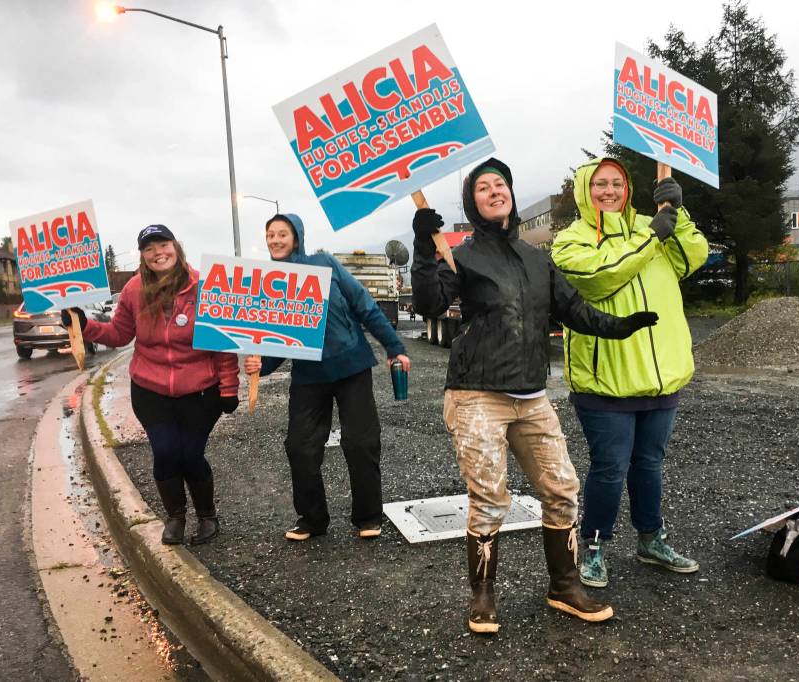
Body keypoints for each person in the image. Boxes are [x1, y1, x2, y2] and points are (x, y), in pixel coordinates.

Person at [411, 158, 659, 634]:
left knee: (562, 488)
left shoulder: (536, 258)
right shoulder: (459, 255)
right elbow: (429, 303)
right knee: (488, 498)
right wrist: (424, 245)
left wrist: (621, 327)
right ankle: (482, 597)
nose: (493, 191)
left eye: (500, 183)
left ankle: (564, 586)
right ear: (472, 202)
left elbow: (575, 311)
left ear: (510, 194)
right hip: (476, 394)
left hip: (532, 395)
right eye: (482, 187)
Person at [549, 158, 709, 587]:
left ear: (628, 188)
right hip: (607, 381)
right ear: (586, 190)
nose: (609, 191)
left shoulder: (650, 222)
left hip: (662, 377)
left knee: (649, 464)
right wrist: (651, 233)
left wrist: (677, 212)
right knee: (610, 467)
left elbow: (693, 257)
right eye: (599, 184)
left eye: (616, 183)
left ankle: (651, 539)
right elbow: (601, 277)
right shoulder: (570, 241)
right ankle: (595, 547)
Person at [62, 224, 240, 546]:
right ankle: (175, 516)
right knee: (166, 451)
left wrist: (228, 388)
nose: (159, 253)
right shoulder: (133, 290)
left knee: (191, 454)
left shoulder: (206, 285)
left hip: (200, 389)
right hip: (150, 390)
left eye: (163, 244)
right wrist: (85, 324)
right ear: (143, 256)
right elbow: (118, 334)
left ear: (176, 245)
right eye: (149, 248)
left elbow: (223, 342)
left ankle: (207, 516)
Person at [243, 214, 409, 542]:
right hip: (308, 375)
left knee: (361, 442)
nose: (275, 240)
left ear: (296, 236)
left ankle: (368, 516)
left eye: (282, 234)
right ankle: (312, 519)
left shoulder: (324, 264)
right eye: (270, 235)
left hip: (351, 366)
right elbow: (276, 343)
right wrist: (260, 365)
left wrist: (394, 346)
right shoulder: (270, 282)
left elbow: (364, 306)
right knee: (300, 446)